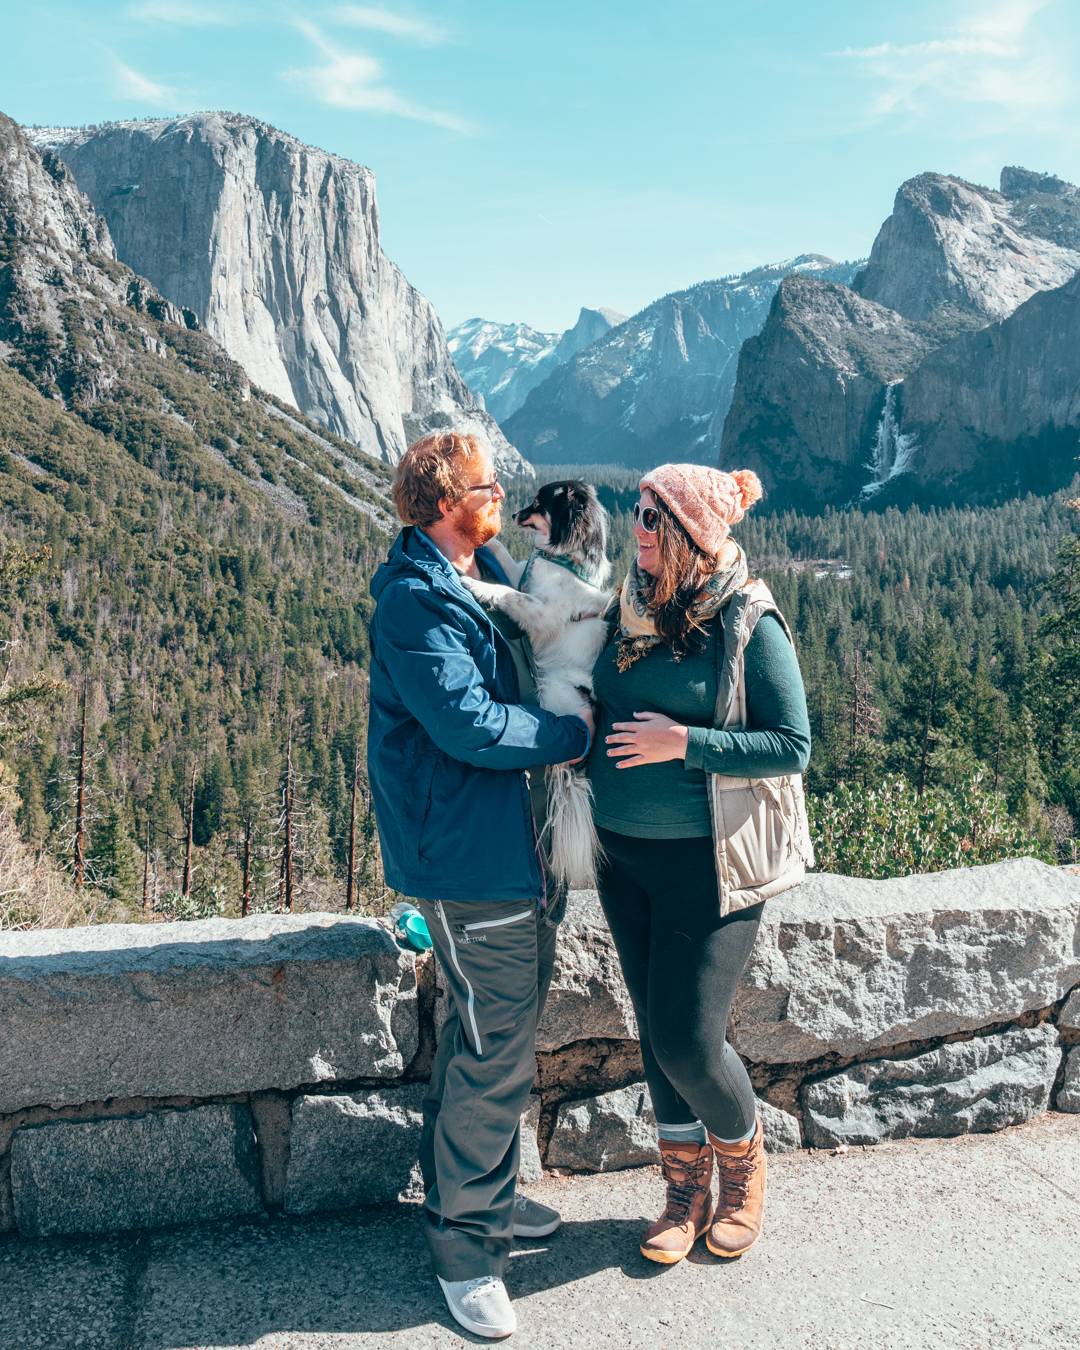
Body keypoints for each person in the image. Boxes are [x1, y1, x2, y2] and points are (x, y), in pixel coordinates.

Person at [367, 429, 591, 1339]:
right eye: (487, 485)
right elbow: (468, 724)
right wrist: (569, 737)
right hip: (467, 856)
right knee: (495, 1042)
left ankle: (484, 1199)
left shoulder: (477, 564)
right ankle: (466, 1250)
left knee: (489, 1033)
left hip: (516, 844)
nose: (503, 493)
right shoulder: (413, 603)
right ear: (445, 501)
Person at [587, 463, 812, 1266]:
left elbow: (791, 745)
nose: (637, 525)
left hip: (707, 863)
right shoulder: (629, 609)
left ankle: (743, 1164)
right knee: (654, 1028)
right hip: (622, 855)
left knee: (687, 1037)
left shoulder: (747, 619)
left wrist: (683, 744)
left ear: (688, 533)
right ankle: (682, 1188)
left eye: (653, 516)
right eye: (635, 509)